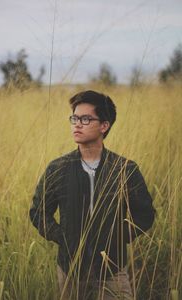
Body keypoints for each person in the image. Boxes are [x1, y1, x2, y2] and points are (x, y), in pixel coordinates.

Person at [29, 90, 155, 300]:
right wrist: (64, 237)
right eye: (74, 118)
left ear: (104, 126)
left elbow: (145, 215)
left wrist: (116, 237)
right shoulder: (58, 168)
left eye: (86, 119)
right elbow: (38, 212)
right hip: (70, 269)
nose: (77, 124)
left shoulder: (125, 169)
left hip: (112, 270)